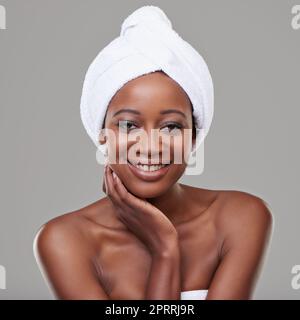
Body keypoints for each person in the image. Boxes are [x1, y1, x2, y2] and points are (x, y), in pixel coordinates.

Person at [33, 6, 273, 300]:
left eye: (171, 127)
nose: (150, 146)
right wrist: (166, 251)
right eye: (129, 125)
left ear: (194, 137)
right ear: (103, 134)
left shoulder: (240, 218)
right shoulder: (66, 240)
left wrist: (163, 246)